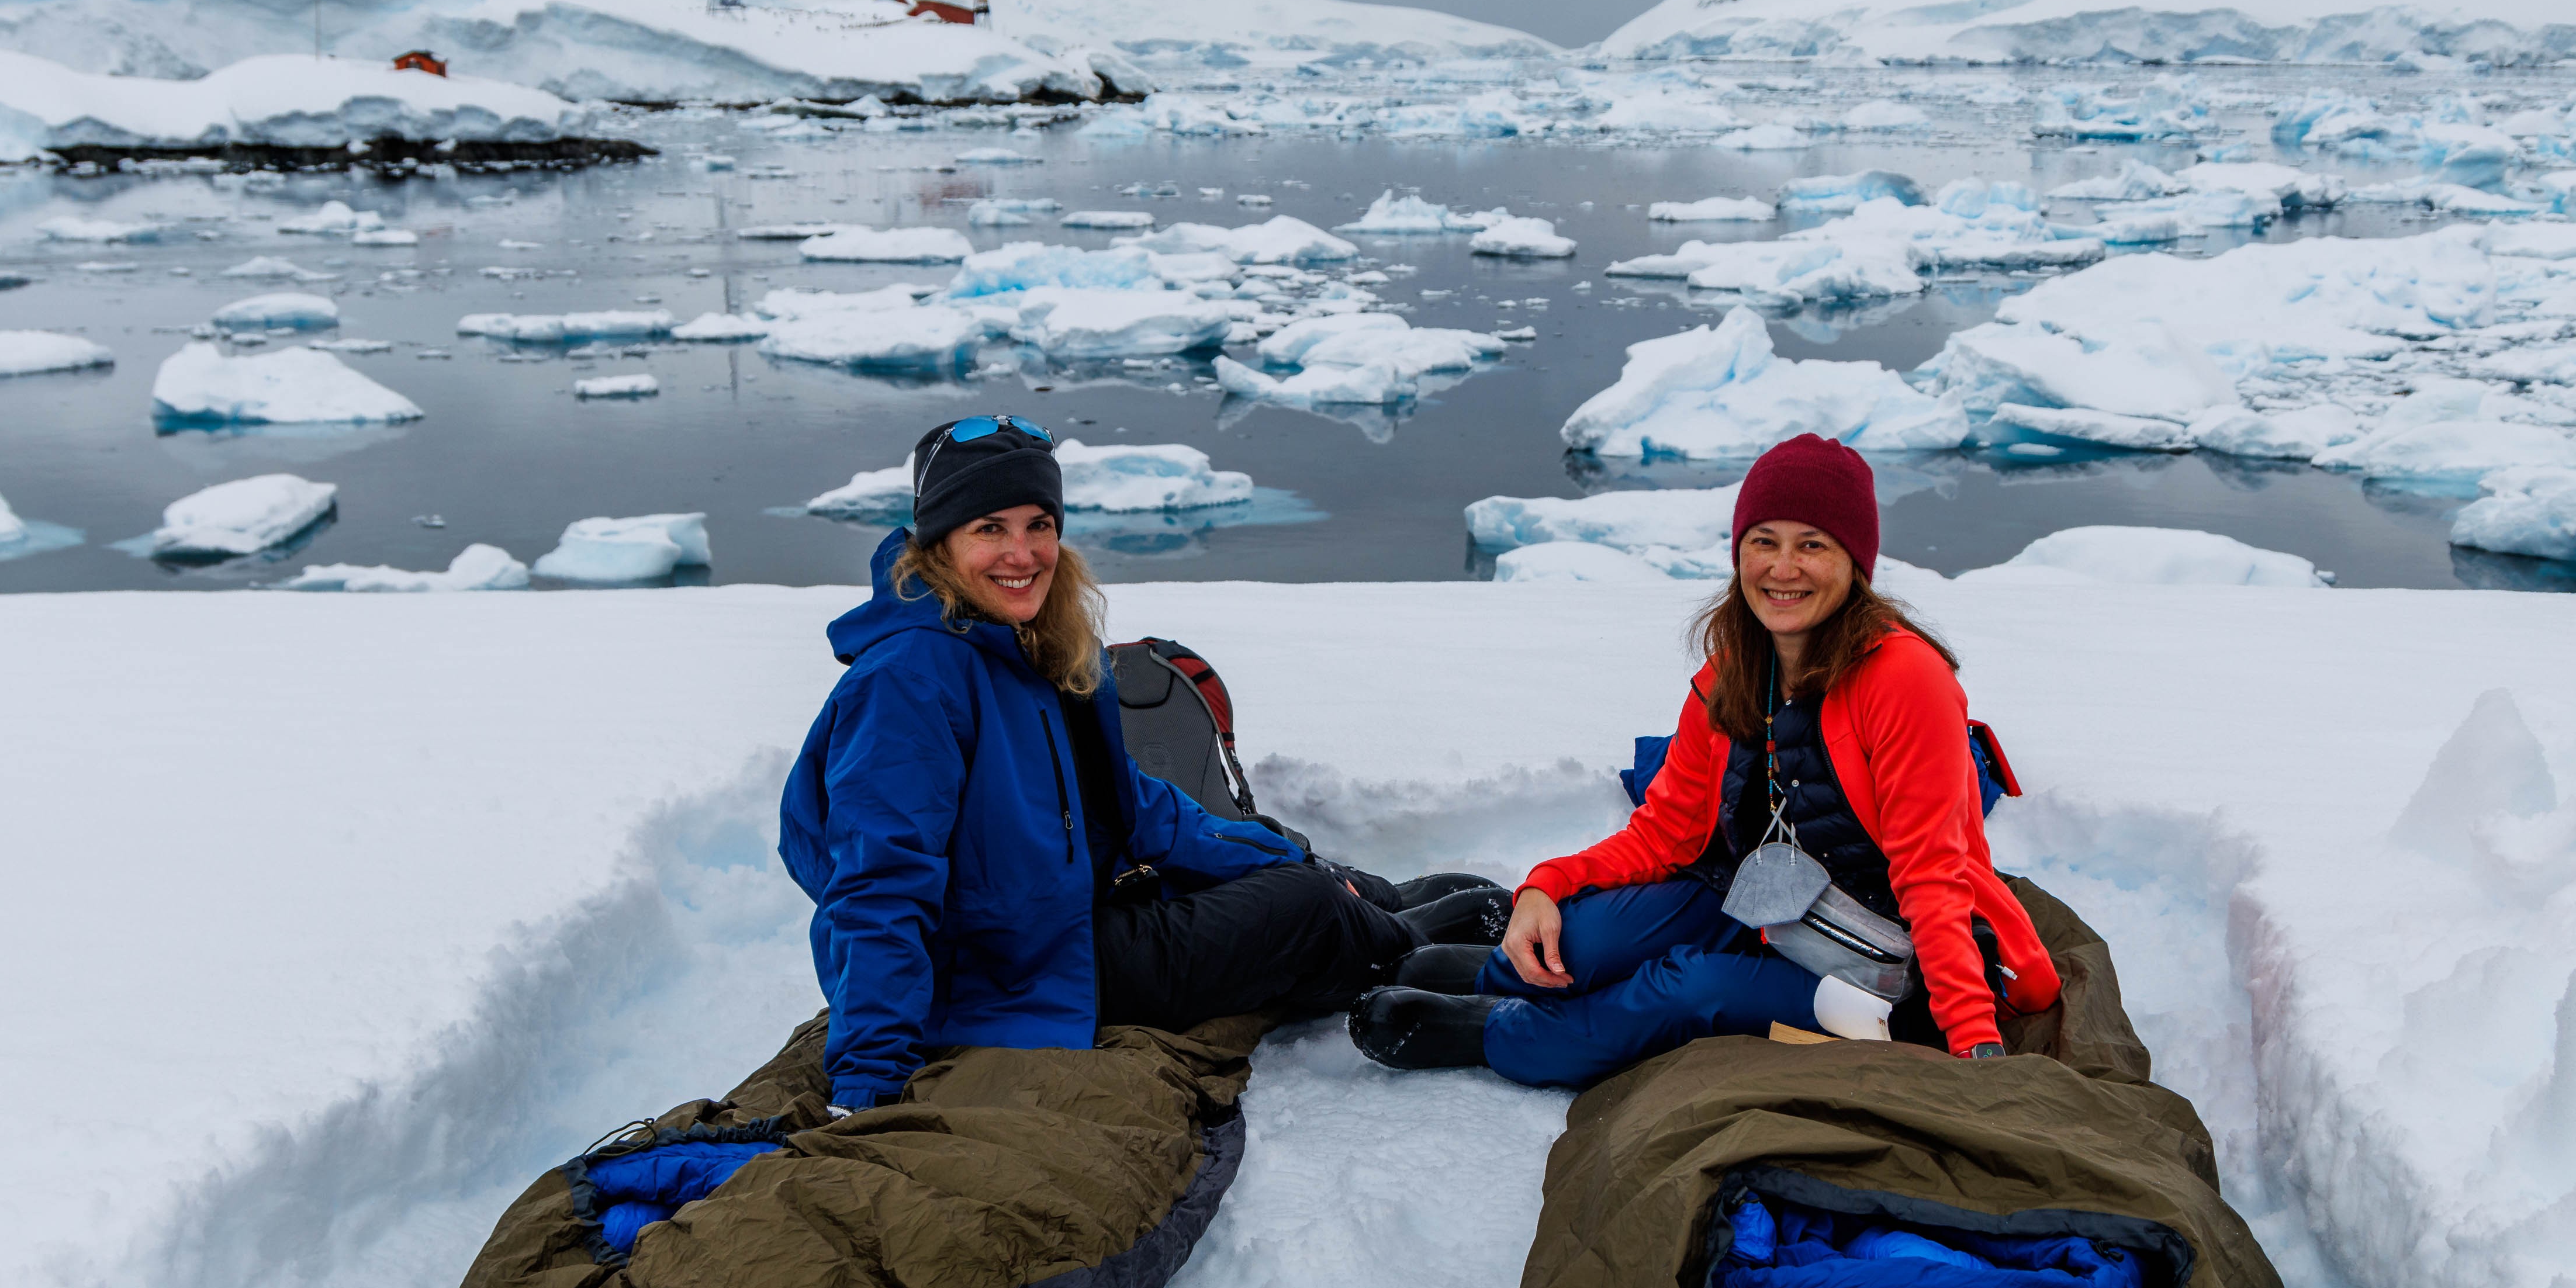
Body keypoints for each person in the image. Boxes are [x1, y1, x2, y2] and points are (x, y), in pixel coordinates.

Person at [781, 415, 1507, 1113]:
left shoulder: (1025, 642)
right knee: (1302, 914)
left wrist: (1288, 853)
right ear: (940, 542)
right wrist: (869, 1079)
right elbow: (879, 885)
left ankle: (1369, 898)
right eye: (989, 528)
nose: (1022, 553)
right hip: (1004, 971)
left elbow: (1128, 804)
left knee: (1269, 858)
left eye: (1039, 525)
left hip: (1057, 912)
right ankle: (1403, 946)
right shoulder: (909, 680)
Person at [1347, 432, 2062, 1087]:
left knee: (1685, 986)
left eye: (1812, 545)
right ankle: (1509, 973)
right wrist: (1546, 885)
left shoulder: (1905, 678)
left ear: (1856, 563)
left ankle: (1508, 1035)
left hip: (1885, 961)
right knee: (1590, 937)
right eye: (1764, 541)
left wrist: (1972, 1041)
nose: (1783, 569)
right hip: (1767, 904)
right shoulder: (1735, 672)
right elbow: (1665, 832)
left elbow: (1932, 874)